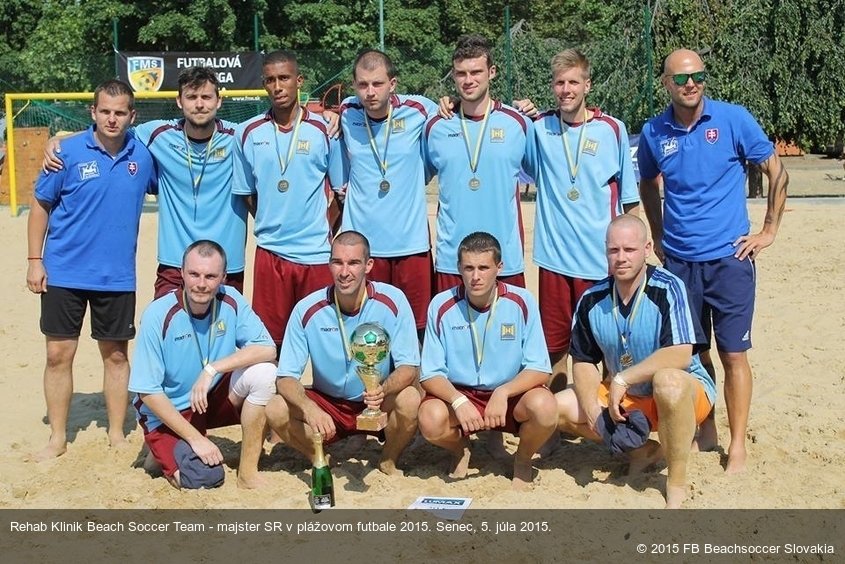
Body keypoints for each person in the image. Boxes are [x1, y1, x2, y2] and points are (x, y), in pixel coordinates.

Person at [637, 48, 789, 473]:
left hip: (730, 260)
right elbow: (648, 184)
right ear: (665, 82)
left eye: (698, 76)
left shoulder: (733, 118)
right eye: (682, 78)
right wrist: (659, 234)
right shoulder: (653, 132)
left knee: (734, 353)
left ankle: (737, 443)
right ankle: (708, 429)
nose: (691, 83)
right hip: (681, 264)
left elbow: (778, 171)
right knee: (692, 352)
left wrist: (768, 231)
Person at [26, 79, 156, 460]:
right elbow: (39, 207)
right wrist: (35, 261)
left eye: (120, 112)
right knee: (57, 355)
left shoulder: (143, 155)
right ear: (93, 113)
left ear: (131, 115)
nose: (112, 119)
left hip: (116, 277)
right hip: (63, 272)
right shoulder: (64, 152)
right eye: (105, 111)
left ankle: (116, 432)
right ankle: (58, 437)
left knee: (115, 355)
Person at [43, 67, 250, 297]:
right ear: (179, 101)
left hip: (226, 264)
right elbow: (110, 131)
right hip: (175, 262)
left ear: (219, 101)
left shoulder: (240, 137)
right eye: (191, 97)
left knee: (223, 332)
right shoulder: (157, 133)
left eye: (206, 97)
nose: (199, 104)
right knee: (166, 329)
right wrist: (61, 139)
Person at [556, 215, 716, 508]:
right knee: (557, 408)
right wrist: (593, 411)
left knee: (667, 381)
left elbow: (681, 353)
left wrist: (622, 378)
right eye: (613, 250)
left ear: (647, 248)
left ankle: (676, 483)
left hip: (684, 394)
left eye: (629, 250)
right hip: (627, 399)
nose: (621, 258)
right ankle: (642, 450)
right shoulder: (592, 299)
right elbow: (582, 361)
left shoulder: (669, 288)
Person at [525, 49, 640, 393]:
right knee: (555, 346)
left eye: (573, 81)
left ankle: (607, 417)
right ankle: (556, 420)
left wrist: (632, 256)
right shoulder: (539, 128)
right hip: (555, 260)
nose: (566, 89)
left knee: (607, 346)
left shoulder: (612, 129)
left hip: (599, 261)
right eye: (559, 82)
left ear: (587, 84)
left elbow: (630, 202)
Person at [266, 231, 421, 476]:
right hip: (329, 403)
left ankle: (388, 459)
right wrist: (309, 408)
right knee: (275, 408)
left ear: (368, 265)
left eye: (353, 263)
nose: (344, 272)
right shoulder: (307, 309)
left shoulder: (393, 301)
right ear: (329, 264)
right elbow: (284, 377)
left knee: (410, 398)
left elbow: (408, 366)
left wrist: (383, 389)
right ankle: (318, 457)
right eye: (337, 262)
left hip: (376, 400)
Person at [129, 240, 277, 489]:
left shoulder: (231, 300)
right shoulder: (158, 314)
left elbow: (267, 348)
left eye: (210, 276)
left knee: (266, 373)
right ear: (182, 274)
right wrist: (196, 439)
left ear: (223, 278)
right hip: (170, 410)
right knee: (205, 477)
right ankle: (161, 449)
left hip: (210, 397)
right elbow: (148, 391)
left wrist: (212, 369)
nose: (201, 283)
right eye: (194, 274)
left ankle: (247, 472)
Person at [418, 232, 557, 490]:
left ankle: (523, 460)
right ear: (458, 268)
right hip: (461, 392)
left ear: (499, 268)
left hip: (509, 394)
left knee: (546, 408)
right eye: (469, 268)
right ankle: (460, 448)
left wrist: (504, 392)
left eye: (484, 267)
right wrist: (458, 400)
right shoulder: (441, 305)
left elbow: (540, 368)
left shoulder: (522, 301)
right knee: (429, 419)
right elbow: (430, 374)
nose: (476, 276)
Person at [233, 50, 346, 349]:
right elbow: (247, 195)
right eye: (270, 80)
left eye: (284, 78)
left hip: (316, 254)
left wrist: (324, 226)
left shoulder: (326, 129)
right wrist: (273, 222)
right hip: (271, 254)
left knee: (325, 345)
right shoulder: (247, 132)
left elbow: (340, 193)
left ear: (299, 81)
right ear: (263, 84)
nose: (277, 86)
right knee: (271, 345)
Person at [338, 49, 438, 336]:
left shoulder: (420, 110)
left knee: (416, 331)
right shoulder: (346, 112)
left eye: (377, 84)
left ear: (392, 84)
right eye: (362, 84)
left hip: (410, 245)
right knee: (366, 332)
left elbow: (455, 112)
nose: (369, 92)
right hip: (364, 247)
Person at [424, 35, 535, 294]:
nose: (468, 80)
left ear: (492, 72)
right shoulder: (437, 126)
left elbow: (544, 173)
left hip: (503, 259)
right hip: (453, 260)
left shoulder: (518, 123)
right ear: (453, 75)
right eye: (461, 73)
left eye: (476, 72)